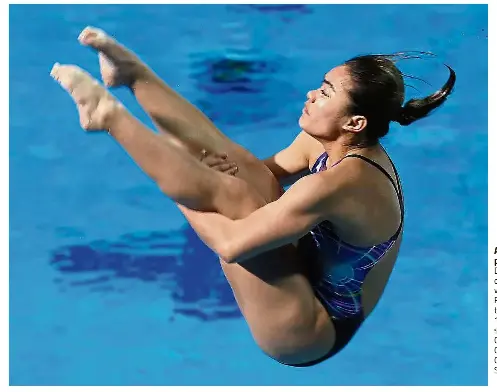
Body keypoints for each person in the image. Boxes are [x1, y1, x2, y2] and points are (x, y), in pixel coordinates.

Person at [50, 26, 456, 367]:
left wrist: (182, 191)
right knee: (239, 170)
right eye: (320, 85)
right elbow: (252, 169)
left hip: (310, 329)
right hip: (307, 274)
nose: (311, 94)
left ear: (354, 121)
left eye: (326, 93)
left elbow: (230, 244)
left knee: (234, 199)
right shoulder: (334, 144)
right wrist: (201, 170)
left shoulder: (343, 182)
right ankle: (134, 76)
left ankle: (108, 118)